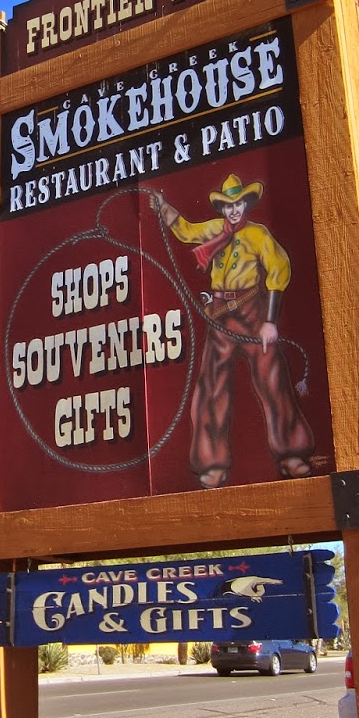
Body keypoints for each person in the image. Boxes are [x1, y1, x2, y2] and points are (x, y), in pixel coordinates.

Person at [151, 173, 315, 487]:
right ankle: (210, 463)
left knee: (272, 378)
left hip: (252, 308)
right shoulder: (215, 230)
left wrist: (270, 321)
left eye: (238, 204)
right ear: (223, 209)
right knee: (211, 384)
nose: (234, 210)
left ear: (245, 204)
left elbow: (279, 269)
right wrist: (163, 207)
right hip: (220, 312)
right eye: (228, 206)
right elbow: (187, 231)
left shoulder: (258, 234)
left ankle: (292, 453)